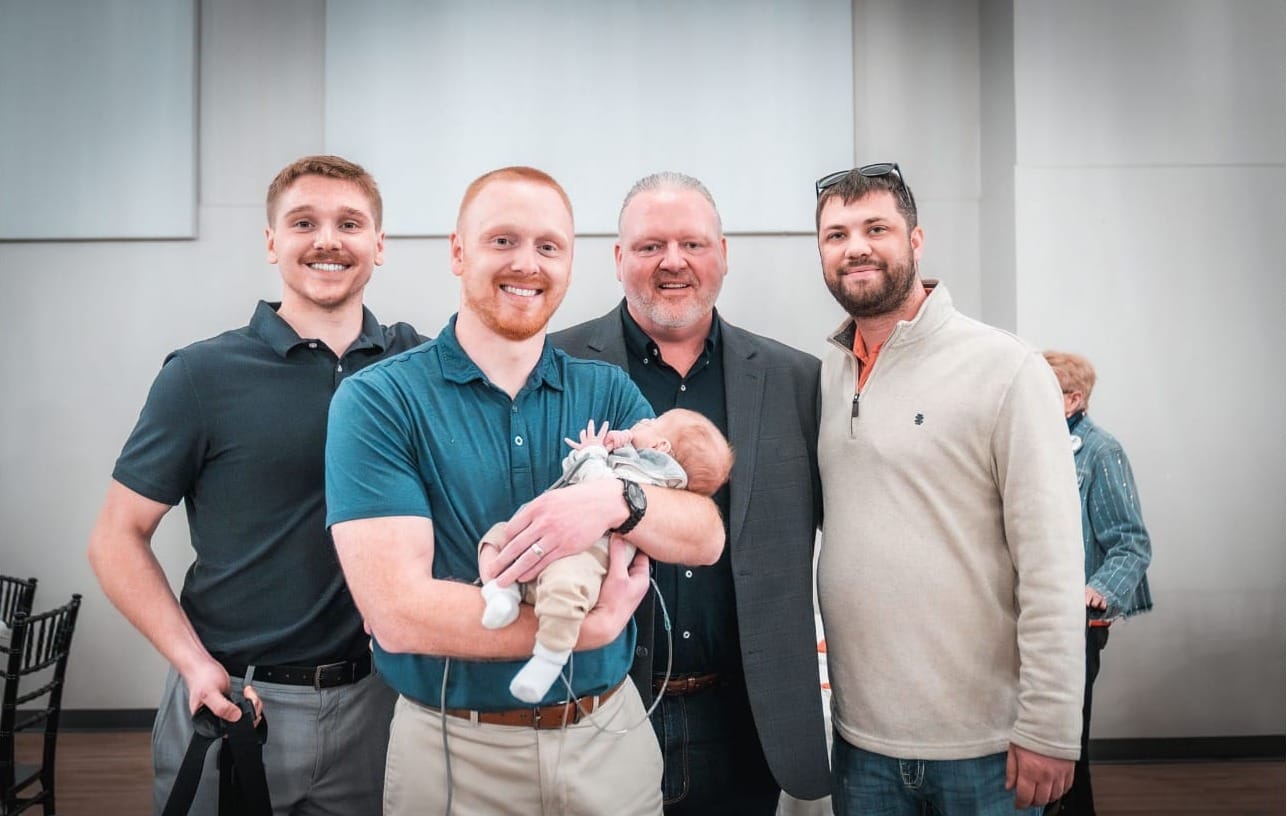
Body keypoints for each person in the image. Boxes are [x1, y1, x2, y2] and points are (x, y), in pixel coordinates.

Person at [323, 166, 726, 816]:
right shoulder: (379, 401)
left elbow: (704, 535)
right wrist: (588, 630)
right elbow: (398, 614)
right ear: (458, 251)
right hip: (454, 749)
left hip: (608, 737)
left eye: (548, 246)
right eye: (502, 241)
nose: (527, 264)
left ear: (569, 263)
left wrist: (619, 502)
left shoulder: (609, 394)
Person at [87, 155, 422, 815]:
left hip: (377, 703)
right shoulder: (201, 375)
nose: (327, 239)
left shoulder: (415, 368)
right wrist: (192, 663)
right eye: (304, 222)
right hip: (236, 702)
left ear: (378, 245)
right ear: (272, 242)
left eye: (349, 223)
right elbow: (115, 538)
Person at [550, 171, 830, 814]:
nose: (672, 261)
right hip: (597, 708)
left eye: (693, 244)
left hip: (743, 723)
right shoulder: (556, 370)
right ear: (619, 260)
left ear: (723, 255)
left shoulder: (797, 382)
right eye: (650, 246)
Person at [813, 163, 1086, 814]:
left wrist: (1050, 726)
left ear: (915, 240)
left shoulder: (1005, 368)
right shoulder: (822, 373)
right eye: (835, 234)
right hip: (858, 741)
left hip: (985, 748)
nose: (855, 247)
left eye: (875, 227)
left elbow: (1050, 562)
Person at [480, 409, 735, 703]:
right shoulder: (633, 458)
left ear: (660, 448)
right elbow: (576, 475)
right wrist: (593, 453)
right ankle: (503, 593)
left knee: (566, 586)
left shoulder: (654, 474)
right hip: (552, 536)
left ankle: (549, 657)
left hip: (591, 551)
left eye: (651, 423)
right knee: (502, 535)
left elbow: (600, 487)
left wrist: (593, 455)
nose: (642, 421)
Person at [1042, 350, 1154, 816]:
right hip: (1033, 615)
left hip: (1075, 623)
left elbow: (1131, 542)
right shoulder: (1033, 446)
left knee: (1065, 748)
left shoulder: (1101, 450)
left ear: (1073, 399)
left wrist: (1100, 591)